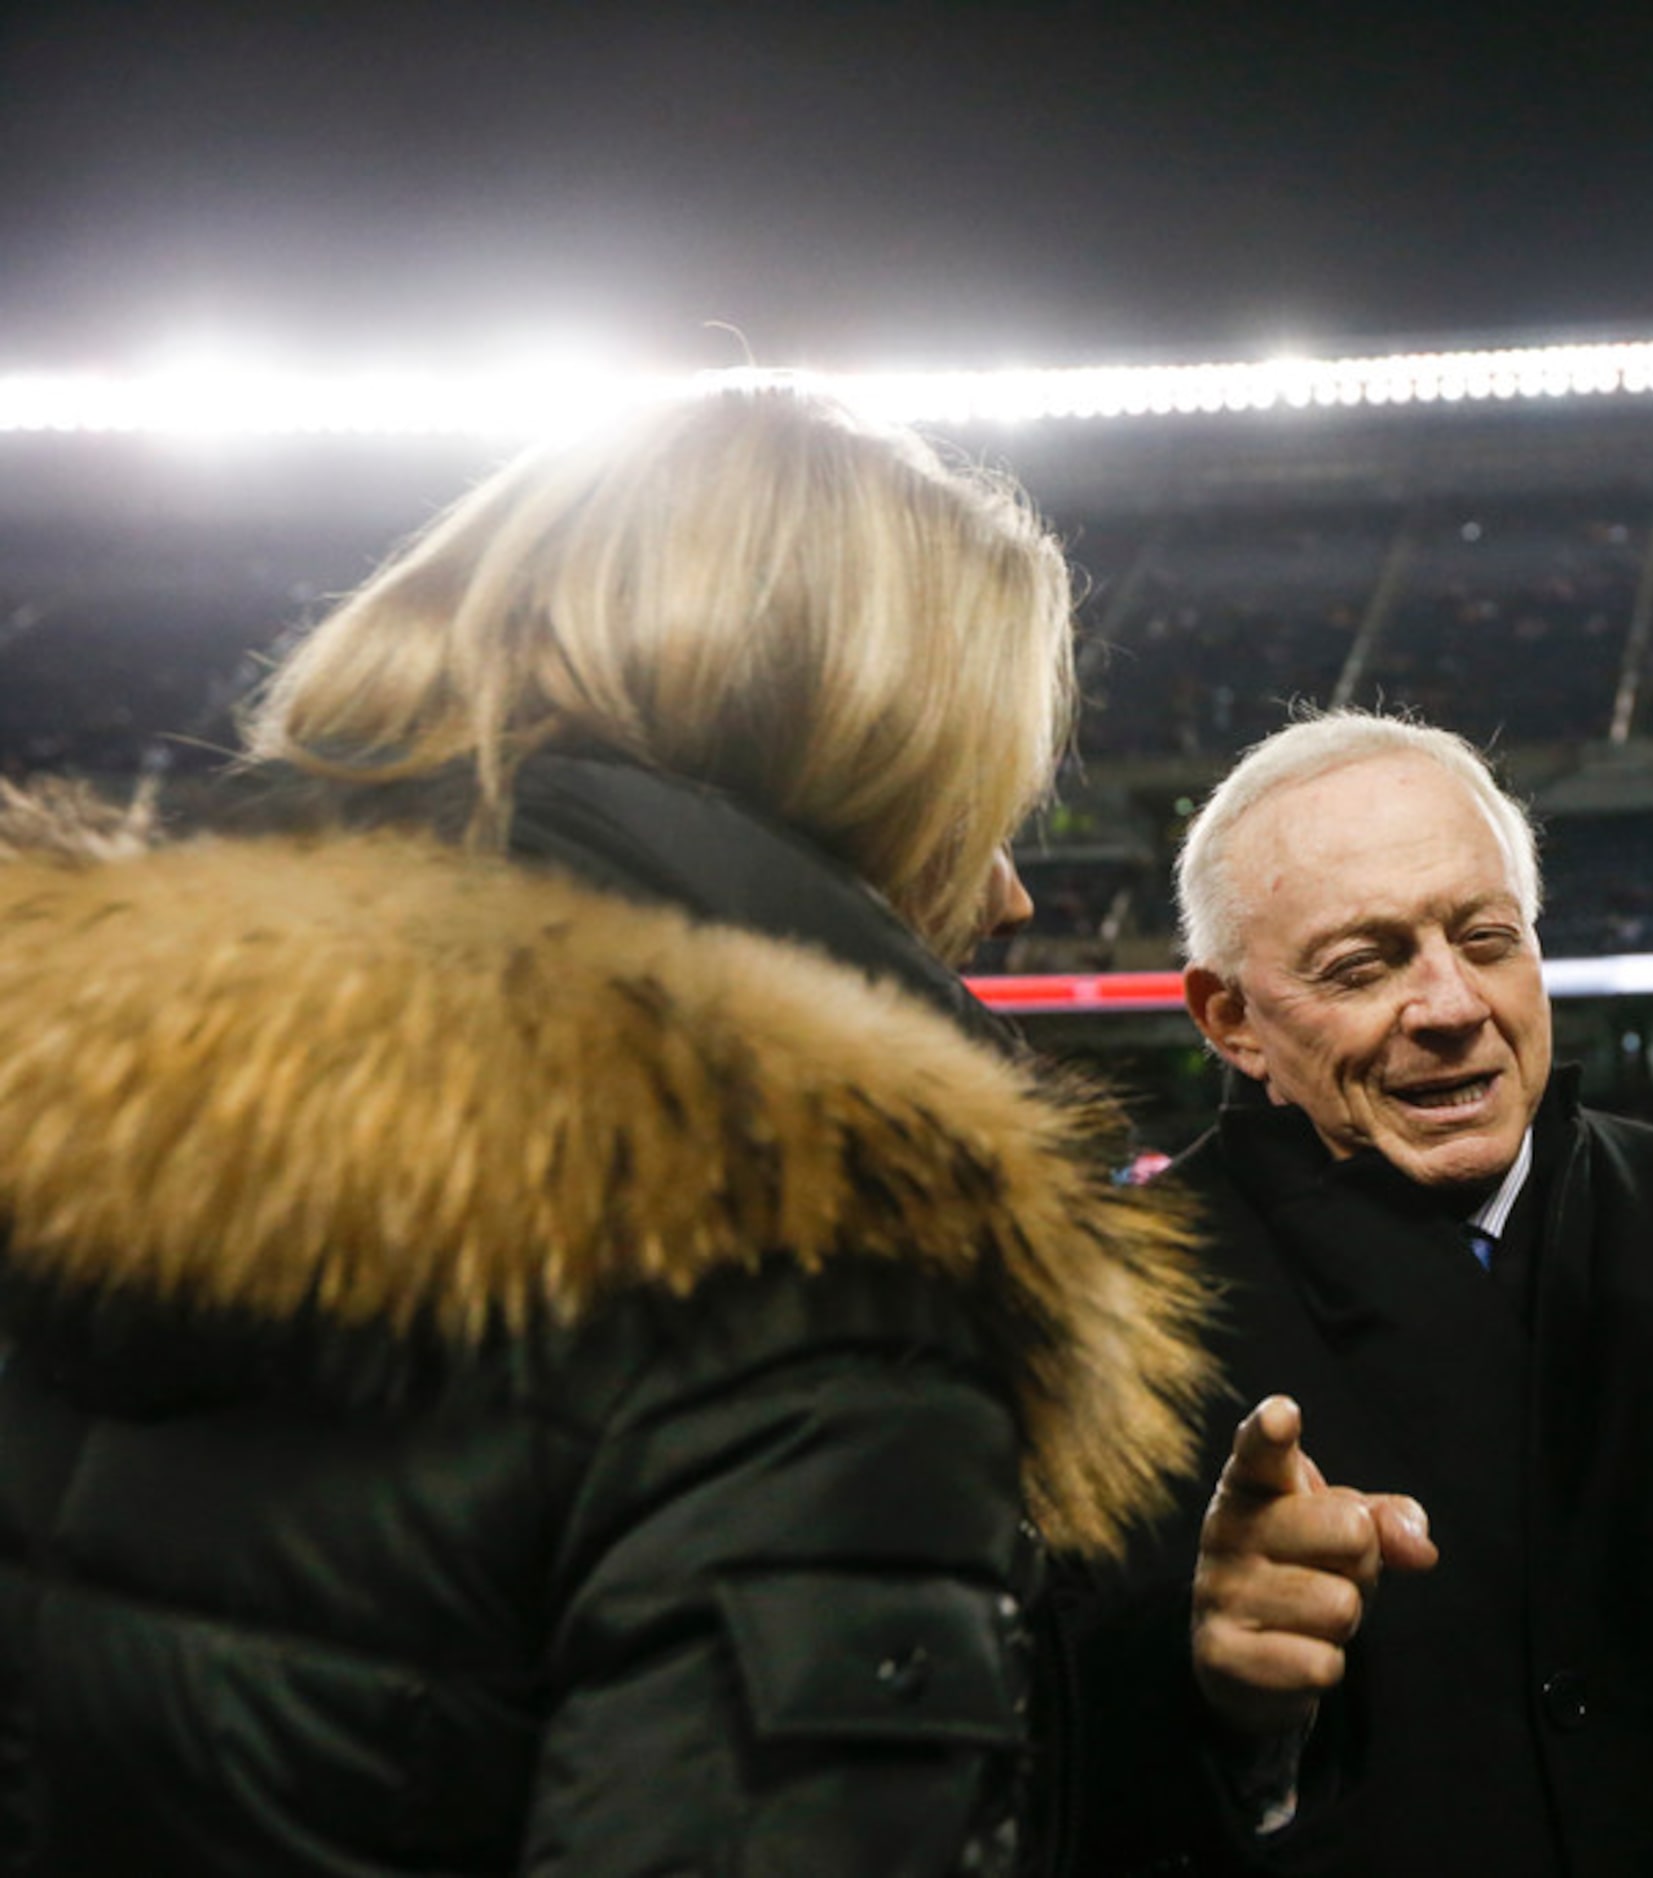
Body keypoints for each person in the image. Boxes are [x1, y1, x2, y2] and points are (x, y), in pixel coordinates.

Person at [0, 379, 1213, 1875]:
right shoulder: (816, 1217)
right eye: (974, 809)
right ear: (844, 749)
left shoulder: (74, 1071)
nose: (1010, 894)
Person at [1051, 712, 1653, 1877]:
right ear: (1230, 1020)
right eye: (1362, 966)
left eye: (1486, 939)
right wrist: (1216, 1703)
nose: (1449, 1005)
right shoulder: (1108, 1309)